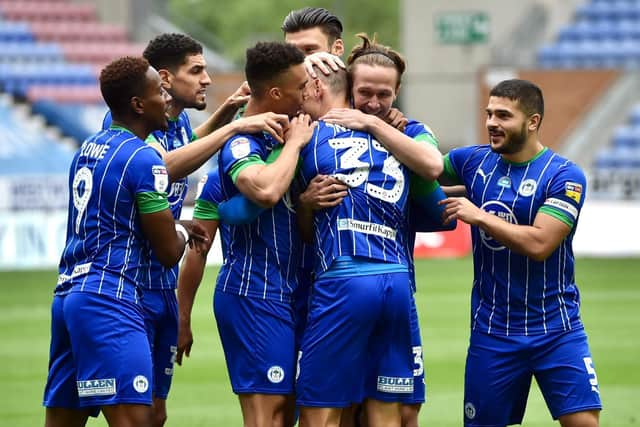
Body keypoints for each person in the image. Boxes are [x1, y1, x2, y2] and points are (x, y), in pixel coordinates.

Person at [101, 33, 290, 427]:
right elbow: (162, 166)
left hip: (158, 283)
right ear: (165, 79)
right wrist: (236, 128)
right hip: (124, 286)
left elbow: (187, 147)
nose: (206, 78)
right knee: (128, 412)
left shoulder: (176, 120)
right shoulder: (131, 123)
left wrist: (226, 112)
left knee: (155, 412)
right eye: (197, 70)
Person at [42, 56, 209, 427]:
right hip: (111, 299)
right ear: (138, 105)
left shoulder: (89, 148)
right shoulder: (144, 159)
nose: (166, 99)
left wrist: (171, 221)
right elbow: (168, 253)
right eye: (159, 92)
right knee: (140, 420)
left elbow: (119, 216)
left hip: (70, 295)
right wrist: (183, 229)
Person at [439, 79, 602, 427]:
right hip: (493, 330)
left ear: (533, 121)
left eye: (503, 115)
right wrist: (386, 126)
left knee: (585, 423)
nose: (492, 122)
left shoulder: (564, 175)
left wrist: (479, 215)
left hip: (556, 328)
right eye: (489, 114)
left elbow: (540, 244)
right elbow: (422, 169)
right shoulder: (472, 161)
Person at [293, 51, 442, 426]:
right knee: (387, 411)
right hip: (396, 281)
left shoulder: (311, 134)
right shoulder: (406, 136)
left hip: (344, 279)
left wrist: (302, 204)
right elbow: (434, 175)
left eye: (384, 95)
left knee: (319, 409)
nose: (374, 104)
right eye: (365, 93)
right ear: (349, 87)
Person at [200, 41, 314, 427]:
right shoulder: (241, 143)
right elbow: (264, 191)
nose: (308, 93)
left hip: (295, 292)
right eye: (301, 87)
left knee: (295, 409)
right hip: (255, 293)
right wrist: (296, 144)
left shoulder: (284, 134)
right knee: (269, 415)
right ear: (276, 94)